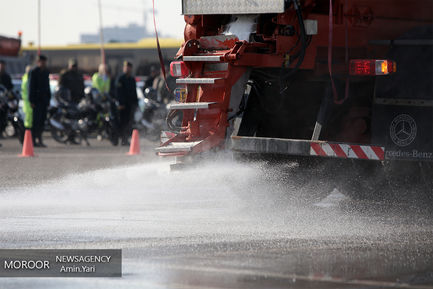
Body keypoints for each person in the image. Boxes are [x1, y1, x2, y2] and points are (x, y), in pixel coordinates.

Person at [29, 55, 51, 147]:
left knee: (42, 121)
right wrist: (31, 101)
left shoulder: (46, 72)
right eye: (42, 62)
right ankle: (33, 140)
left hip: (44, 101)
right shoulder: (34, 72)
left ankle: (40, 139)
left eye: (44, 62)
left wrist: (49, 98)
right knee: (36, 122)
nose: (43, 63)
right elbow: (31, 87)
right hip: (36, 101)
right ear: (38, 62)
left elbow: (47, 87)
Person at [116, 61, 138, 146]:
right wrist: (120, 103)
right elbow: (118, 92)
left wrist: (136, 103)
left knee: (129, 123)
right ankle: (122, 139)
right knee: (123, 122)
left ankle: (126, 138)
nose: (127, 68)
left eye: (128, 67)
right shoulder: (121, 78)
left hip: (130, 105)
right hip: (123, 105)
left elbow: (134, 92)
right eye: (125, 67)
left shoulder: (132, 79)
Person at [21, 65, 33, 129]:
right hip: (27, 100)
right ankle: (28, 128)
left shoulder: (25, 78)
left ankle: (28, 127)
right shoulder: (27, 78)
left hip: (27, 100)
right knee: (28, 115)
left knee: (28, 115)